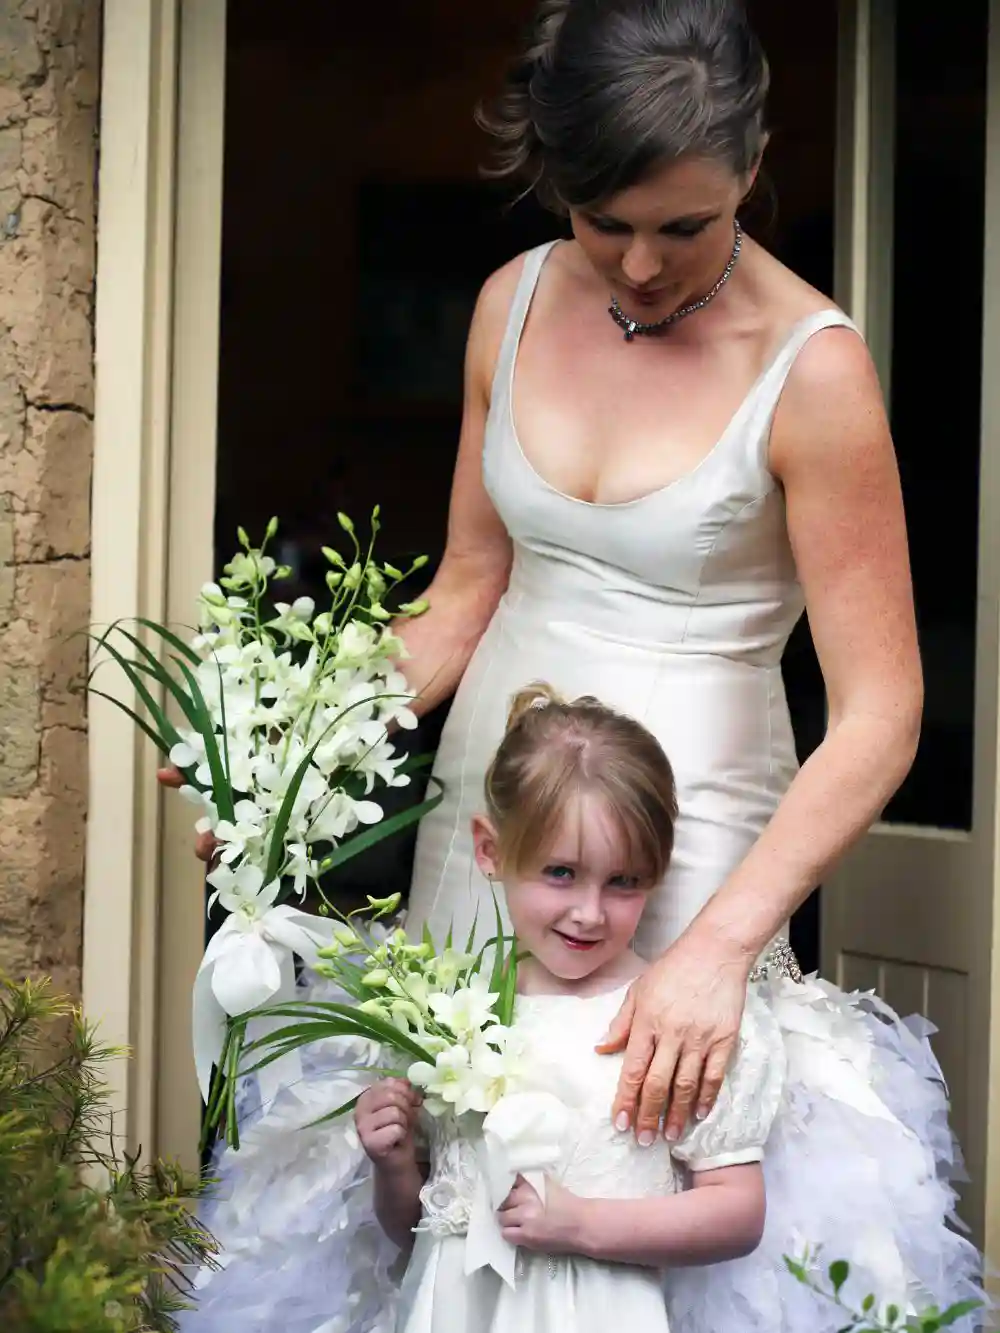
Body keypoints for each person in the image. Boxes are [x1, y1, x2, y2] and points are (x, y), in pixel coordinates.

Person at [163, 0, 923, 1150]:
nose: (638, 263)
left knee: (647, 1173)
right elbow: (465, 593)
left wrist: (719, 944)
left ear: (755, 165)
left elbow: (882, 711)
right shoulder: (507, 304)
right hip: (492, 814)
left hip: (689, 840)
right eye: (601, 219)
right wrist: (289, 762)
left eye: (686, 224)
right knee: (451, 1163)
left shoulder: (812, 369)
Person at [181, 689, 981, 1333]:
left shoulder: (669, 1023)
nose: (589, 913)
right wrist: (395, 1163)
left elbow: (737, 1212)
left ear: (657, 874)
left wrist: (584, 1225)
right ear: (492, 853)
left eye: (623, 882)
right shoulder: (448, 1014)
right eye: (560, 873)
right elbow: (420, 1226)